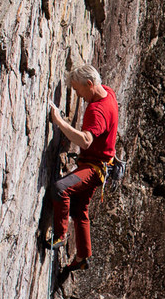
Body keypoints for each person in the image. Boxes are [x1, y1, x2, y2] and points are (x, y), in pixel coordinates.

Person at [46, 64, 119, 269]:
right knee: (79, 209)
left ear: (89, 84)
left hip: (94, 167)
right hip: (100, 163)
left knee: (60, 188)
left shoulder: (98, 111)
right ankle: (82, 257)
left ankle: (59, 236)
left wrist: (60, 122)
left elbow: (86, 141)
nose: (78, 95)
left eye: (78, 90)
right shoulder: (108, 93)